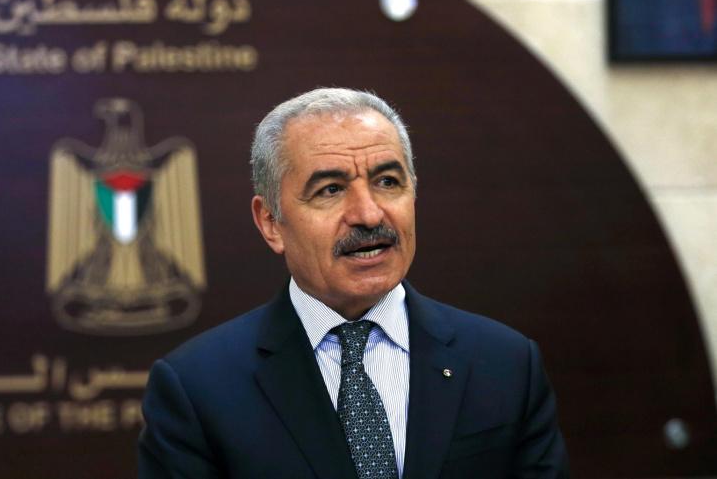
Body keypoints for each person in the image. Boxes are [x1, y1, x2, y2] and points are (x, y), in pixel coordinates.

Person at [139, 88, 569, 478]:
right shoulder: (198, 388)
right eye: (330, 189)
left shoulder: (506, 364)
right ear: (270, 222)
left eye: (388, 182)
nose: (369, 214)